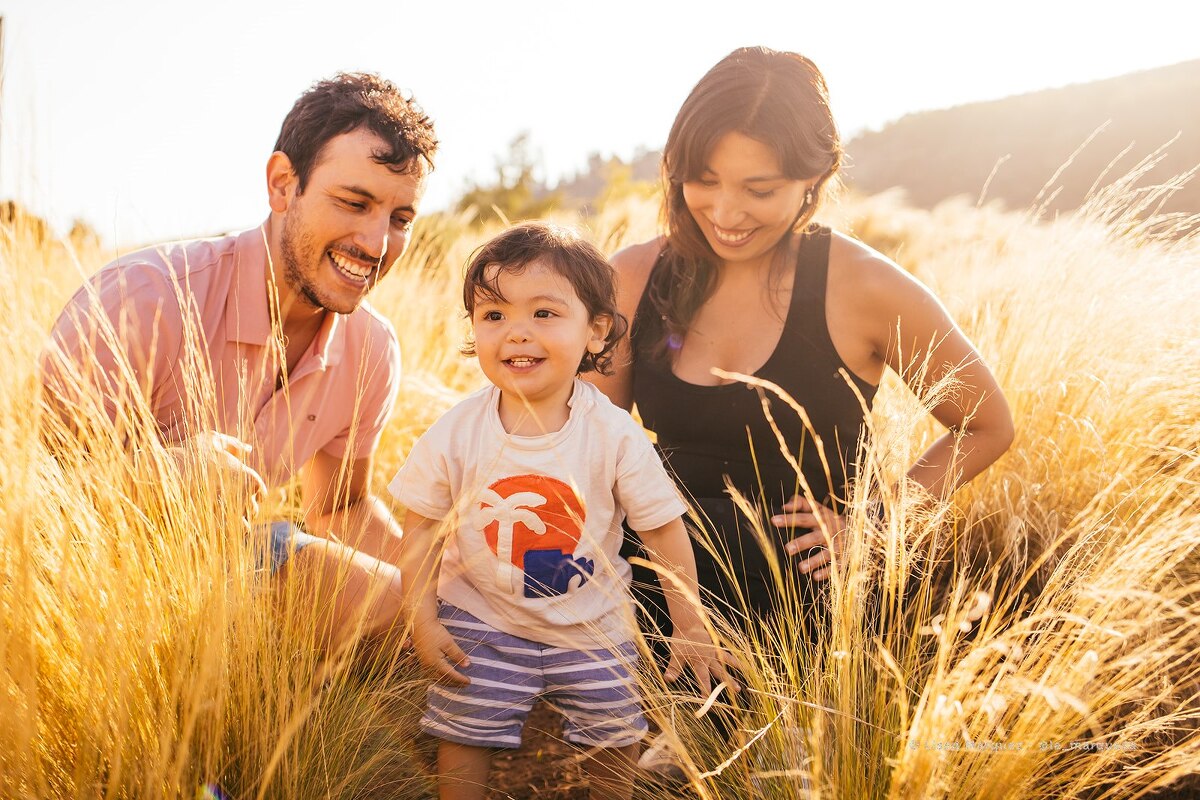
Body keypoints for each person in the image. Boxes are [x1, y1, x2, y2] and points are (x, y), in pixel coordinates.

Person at [589, 46, 1015, 634]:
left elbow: (986, 423)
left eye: (758, 190)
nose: (725, 212)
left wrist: (876, 521)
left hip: (808, 612)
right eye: (704, 181)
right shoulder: (632, 277)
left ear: (814, 177)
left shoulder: (864, 285)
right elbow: (588, 439)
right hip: (654, 587)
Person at [39, 72, 438, 649]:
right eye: (355, 203)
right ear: (283, 185)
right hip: (86, 581)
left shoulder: (372, 349)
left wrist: (448, 584)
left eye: (400, 219)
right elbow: (32, 497)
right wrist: (160, 478)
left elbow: (343, 507)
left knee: (422, 611)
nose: (377, 245)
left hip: (239, 558)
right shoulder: (142, 299)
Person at [389, 222, 732, 800]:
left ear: (596, 330)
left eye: (544, 313)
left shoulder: (613, 434)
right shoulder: (458, 430)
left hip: (594, 623)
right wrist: (422, 617)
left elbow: (661, 528)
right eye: (493, 315)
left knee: (615, 734)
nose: (516, 333)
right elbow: (419, 525)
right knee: (463, 730)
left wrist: (689, 623)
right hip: (484, 619)